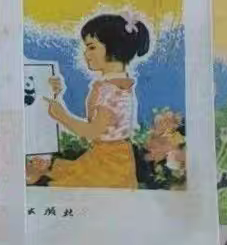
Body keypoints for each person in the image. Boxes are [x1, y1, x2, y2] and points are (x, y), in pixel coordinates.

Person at [27, 12, 149, 189]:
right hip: (111, 157)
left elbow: (93, 131)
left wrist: (62, 116)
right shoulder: (117, 84)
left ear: (114, 48)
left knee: (54, 184)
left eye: (91, 47)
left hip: (109, 166)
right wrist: (56, 93)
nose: (86, 53)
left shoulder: (110, 90)